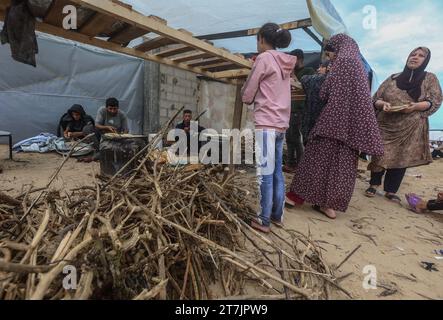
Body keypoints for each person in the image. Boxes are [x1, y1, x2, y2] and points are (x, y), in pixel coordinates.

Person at [285, 34, 384, 219]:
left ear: (338, 48)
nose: (331, 58)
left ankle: (294, 197)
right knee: (342, 168)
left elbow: (324, 92)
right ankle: (327, 205)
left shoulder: (343, 62)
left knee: (316, 160)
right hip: (354, 128)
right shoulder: (359, 66)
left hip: (333, 123)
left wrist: (312, 80)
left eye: (331, 54)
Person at [366, 47, 442, 202]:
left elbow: (433, 100)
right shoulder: (392, 78)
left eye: (421, 56)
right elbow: (376, 98)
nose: (415, 57)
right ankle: (373, 184)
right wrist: (383, 105)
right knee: (380, 153)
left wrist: (415, 107)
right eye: (413, 54)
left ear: (425, 61)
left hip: (410, 126)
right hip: (385, 123)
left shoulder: (430, 78)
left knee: (402, 156)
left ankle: (391, 190)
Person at [241, 23, 296, 233]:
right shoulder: (285, 63)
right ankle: (276, 215)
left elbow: (249, 92)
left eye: (257, 40)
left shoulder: (264, 58)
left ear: (262, 39)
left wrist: (245, 96)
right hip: (281, 125)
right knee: (276, 173)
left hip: (266, 124)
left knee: (264, 172)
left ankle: (263, 219)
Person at [283, 49, 315, 173]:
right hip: (288, 109)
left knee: (295, 137)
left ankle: (300, 166)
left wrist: (292, 74)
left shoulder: (309, 71)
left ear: (299, 59)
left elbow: (303, 86)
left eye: (293, 59)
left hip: (300, 109)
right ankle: (290, 163)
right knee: (289, 137)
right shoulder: (292, 72)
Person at [300, 60, 330, 142]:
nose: (318, 69)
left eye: (322, 67)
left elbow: (304, 78)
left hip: (315, 121)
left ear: (329, 68)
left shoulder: (322, 79)